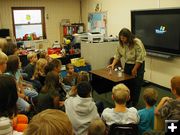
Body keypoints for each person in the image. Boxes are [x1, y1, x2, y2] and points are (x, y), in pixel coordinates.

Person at [107, 28, 146, 106]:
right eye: (121, 38)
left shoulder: (137, 43)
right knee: (127, 83)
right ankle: (127, 100)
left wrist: (135, 69)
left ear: (129, 37)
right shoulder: (121, 43)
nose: (123, 40)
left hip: (138, 64)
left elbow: (140, 58)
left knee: (136, 85)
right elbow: (117, 55)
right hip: (128, 64)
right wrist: (113, 64)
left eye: (124, 38)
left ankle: (134, 103)